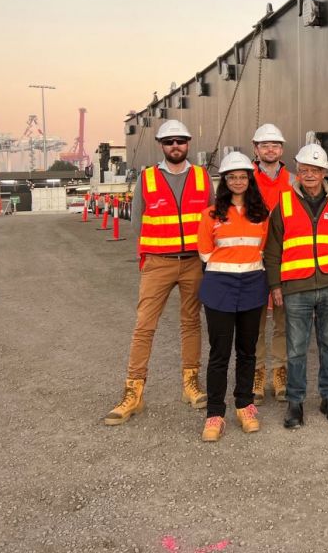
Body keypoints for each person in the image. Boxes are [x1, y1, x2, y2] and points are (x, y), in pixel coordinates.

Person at [103, 120, 213, 426]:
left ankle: (190, 384)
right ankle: (134, 392)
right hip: (158, 263)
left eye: (180, 140)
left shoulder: (203, 178)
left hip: (193, 261)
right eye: (169, 142)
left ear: (188, 143)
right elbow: (137, 223)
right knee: (144, 325)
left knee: (191, 323)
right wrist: (149, 257)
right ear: (161, 146)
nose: (175, 146)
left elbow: (212, 219)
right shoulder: (147, 178)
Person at [263, 143, 328, 429]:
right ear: (298, 172)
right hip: (296, 288)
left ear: (324, 172)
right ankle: (295, 402)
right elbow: (273, 248)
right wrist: (275, 285)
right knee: (296, 349)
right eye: (304, 169)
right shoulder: (285, 203)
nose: (309, 175)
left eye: (315, 170)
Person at [196, 152, 270, 441]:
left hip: (253, 285)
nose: (238, 181)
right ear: (224, 181)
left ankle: (244, 404)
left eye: (242, 177)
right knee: (219, 353)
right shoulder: (211, 215)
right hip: (220, 288)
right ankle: (215, 413)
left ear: (249, 181)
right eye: (232, 177)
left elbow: (262, 250)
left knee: (247, 351)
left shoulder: (261, 214)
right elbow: (205, 252)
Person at [250, 123, 294, 405]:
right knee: (254, 321)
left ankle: (280, 371)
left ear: (281, 149)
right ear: (256, 149)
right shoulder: (245, 179)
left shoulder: (292, 180)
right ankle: (257, 373)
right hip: (252, 259)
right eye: (264, 145)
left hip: (284, 258)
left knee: (282, 320)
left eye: (275, 145)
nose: (270, 150)